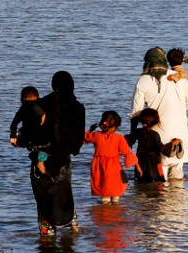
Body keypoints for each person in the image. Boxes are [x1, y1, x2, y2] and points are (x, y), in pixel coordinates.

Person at [32, 71, 86, 235]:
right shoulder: (78, 107)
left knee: (43, 196)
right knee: (63, 190)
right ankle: (71, 223)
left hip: (42, 155)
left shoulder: (41, 105)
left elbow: (32, 132)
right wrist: (72, 150)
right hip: (63, 157)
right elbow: (78, 139)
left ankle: (47, 231)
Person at [130, 47, 188, 179]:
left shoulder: (143, 80)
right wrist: (181, 108)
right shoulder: (178, 77)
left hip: (157, 135)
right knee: (177, 175)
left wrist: (133, 135)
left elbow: (136, 112)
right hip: (181, 130)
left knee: (161, 174)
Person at [83, 111, 138, 204]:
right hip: (114, 167)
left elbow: (84, 137)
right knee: (116, 193)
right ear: (116, 126)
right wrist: (135, 164)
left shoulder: (96, 135)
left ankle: (104, 214)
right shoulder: (119, 138)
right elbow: (127, 153)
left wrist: (90, 130)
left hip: (99, 167)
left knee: (104, 193)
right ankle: (115, 213)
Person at [9, 86, 49, 175]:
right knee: (42, 152)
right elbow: (42, 113)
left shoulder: (24, 107)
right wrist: (43, 120)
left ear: (23, 98)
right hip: (41, 136)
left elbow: (14, 123)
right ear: (35, 97)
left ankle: (40, 166)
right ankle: (41, 167)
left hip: (28, 136)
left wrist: (12, 136)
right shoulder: (39, 104)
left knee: (25, 141)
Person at [126, 107, 165, 184]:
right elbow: (160, 148)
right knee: (158, 182)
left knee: (139, 180)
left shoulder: (138, 132)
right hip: (154, 163)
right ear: (156, 122)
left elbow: (129, 139)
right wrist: (174, 143)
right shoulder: (155, 135)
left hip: (140, 160)